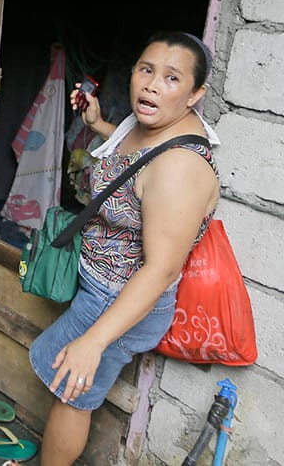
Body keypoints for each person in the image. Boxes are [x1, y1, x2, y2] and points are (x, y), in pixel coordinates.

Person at [28, 31, 219, 465]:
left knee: (72, 396)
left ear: (195, 94)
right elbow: (135, 161)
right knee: (70, 384)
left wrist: (94, 341)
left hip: (122, 302)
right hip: (102, 290)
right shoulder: (150, 125)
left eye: (172, 78)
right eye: (146, 70)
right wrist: (98, 125)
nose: (151, 85)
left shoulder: (180, 169)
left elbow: (162, 270)